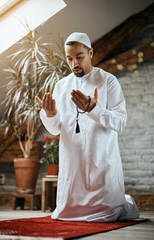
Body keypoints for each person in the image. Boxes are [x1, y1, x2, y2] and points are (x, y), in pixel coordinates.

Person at [36, 32, 139, 222]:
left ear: (90, 53)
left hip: (100, 157)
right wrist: (49, 115)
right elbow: (56, 128)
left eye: (79, 57)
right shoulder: (61, 85)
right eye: (69, 58)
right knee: (65, 215)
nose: (74, 63)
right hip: (72, 160)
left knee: (105, 214)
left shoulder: (108, 81)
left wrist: (94, 109)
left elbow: (120, 121)